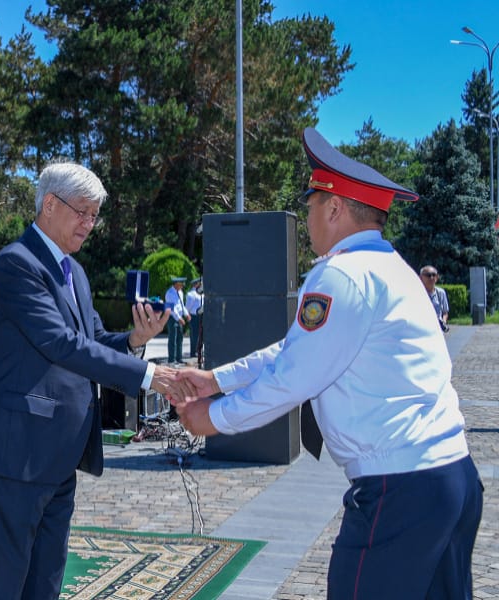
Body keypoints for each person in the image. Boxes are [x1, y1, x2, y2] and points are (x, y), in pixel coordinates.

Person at [171, 128, 482, 599]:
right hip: (450, 477)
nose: (308, 215)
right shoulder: (392, 268)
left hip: (400, 492)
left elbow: (291, 378)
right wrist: (216, 378)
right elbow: (293, 351)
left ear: (334, 209)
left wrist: (211, 418)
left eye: (312, 203)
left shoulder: (341, 275)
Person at [0, 162, 177, 599]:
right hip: (16, 459)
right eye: (82, 212)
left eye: (94, 215)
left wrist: (135, 341)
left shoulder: (74, 271)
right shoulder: (17, 265)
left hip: (60, 458)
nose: (89, 224)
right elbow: (62, 344)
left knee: (44, 586)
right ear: (49, 205)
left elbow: (94, 340)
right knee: (2, 586)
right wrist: (149, 375)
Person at [164, 276, 188, 364]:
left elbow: (182, 305)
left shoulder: (180, 292)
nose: (182, 286)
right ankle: (171, 359)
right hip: (173, 318)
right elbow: (172, 309)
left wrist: (186, 314)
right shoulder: (169, 293)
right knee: (172, 339)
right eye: (181, 284)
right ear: (176, 284)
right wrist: (179, 318)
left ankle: (179, 358)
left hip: (180, 317)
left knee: (180, 338)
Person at [420, 265, 449, 332]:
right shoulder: (417, 293)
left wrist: (443, 322)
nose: (431, 278)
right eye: (428, 275)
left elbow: (445, 312)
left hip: (437, 331)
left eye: (434, 275)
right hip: (422, 330)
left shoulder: (441, 293)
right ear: (421, 277)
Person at [185, 277, 203, 359]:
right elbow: (188, 307)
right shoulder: (191, 294)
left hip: (201, 315)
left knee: (200, 335)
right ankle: (193, 352)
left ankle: (198, 351)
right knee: (194, 335)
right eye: (199, 283)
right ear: (196, 284)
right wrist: (188, 315)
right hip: (194, 316)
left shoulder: (200, 293)